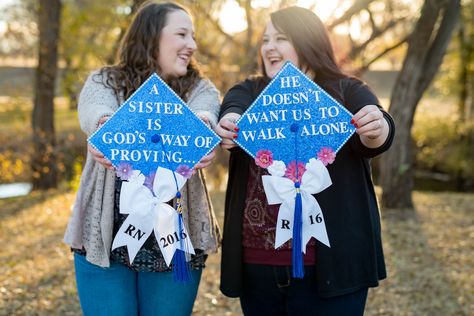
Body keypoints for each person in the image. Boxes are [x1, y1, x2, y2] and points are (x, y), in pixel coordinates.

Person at [216, 6, 395, 316]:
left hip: (333, 267)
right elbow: (233, 108)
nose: (269, 47)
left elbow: (379, 131)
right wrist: (230, 121)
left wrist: (375, 128)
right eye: (265, 39)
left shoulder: (347, 90)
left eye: (281, 38)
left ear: (307, 41)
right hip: (259, 266)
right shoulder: (251, 91)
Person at [63, 2, 221, 315]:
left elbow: (206, 111)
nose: (193, 45)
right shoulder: (104, 81)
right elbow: (95, 110)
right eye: (182, 34)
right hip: (106, 242)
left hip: (173, 243)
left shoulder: (199, 88)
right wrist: (104, 126)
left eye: (193, 36)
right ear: (152, 37)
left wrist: (202, 126)